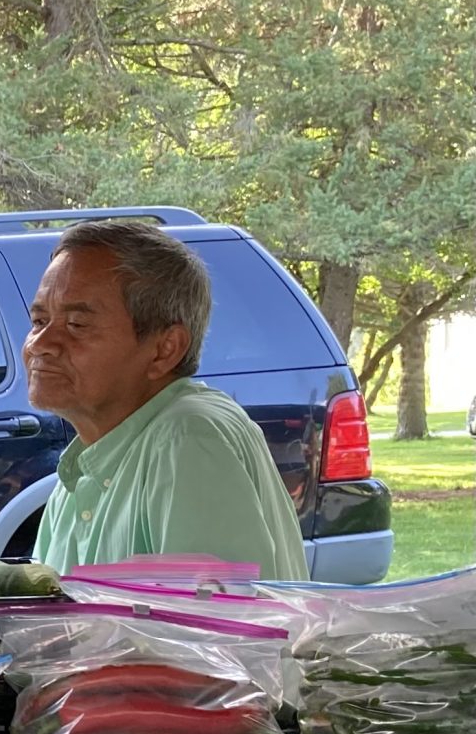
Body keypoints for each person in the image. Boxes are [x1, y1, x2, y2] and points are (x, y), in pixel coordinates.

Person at [24, 220, 309, 580]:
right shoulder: (84, 466)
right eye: (39, 321)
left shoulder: (186, 437)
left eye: (76, 325)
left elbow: (210, 615)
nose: (40, 344)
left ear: (165, 349)